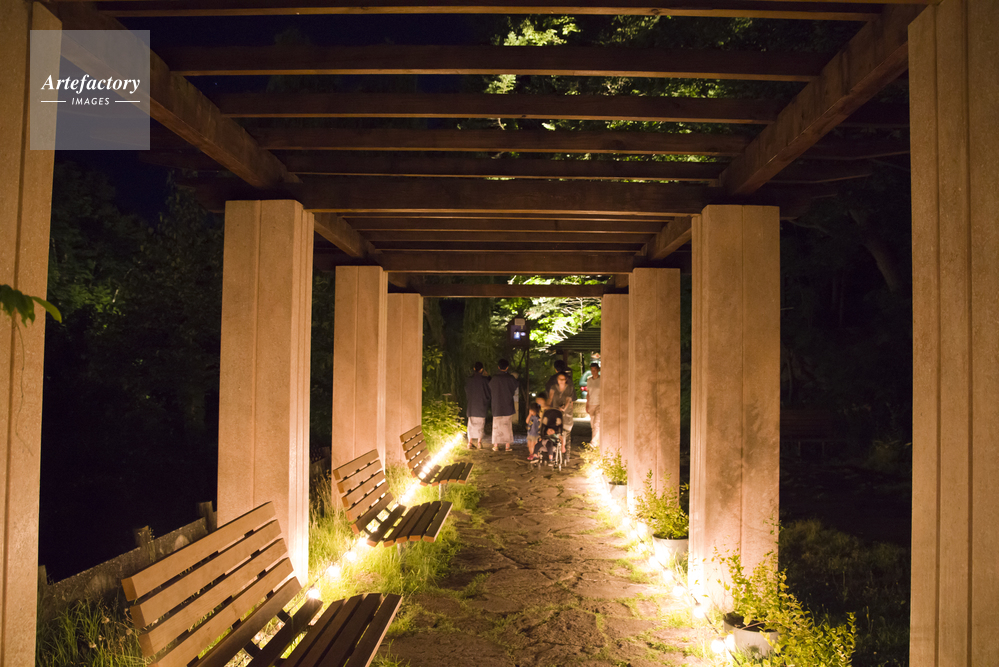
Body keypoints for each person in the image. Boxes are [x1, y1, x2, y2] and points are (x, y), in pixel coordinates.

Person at [489, 358, 520, 452]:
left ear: (498, 367)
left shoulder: (494, 379)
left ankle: (496, 445)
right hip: (507, 405)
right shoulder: (510, 378)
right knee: (507, 426)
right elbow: (515, 385)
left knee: (496, 426)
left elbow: (490, 388)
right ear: (507, 367)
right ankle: (507, 446)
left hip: (496, 405)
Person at [547, 371, 576, 456]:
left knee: (566, 433)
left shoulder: (569, 388)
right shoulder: (553, 387)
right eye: (560, 379)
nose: (562, 381)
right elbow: (550, 398)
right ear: (557, 379)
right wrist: (546, 407)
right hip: (556, 412)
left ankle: (567, 454)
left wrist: (564, 408)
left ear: (566, 379)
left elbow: (568, 399)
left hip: (566, 414)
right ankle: (555, 451)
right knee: (557, 431)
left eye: (563, 379)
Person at [464, 361, 490, 449]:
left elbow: (467, 391)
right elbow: (488, 392)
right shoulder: (485, 380)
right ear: (482, 369)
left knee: (471, 424)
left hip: (472, 405)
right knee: (480, 425)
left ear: (474, 368)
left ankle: (470, 443)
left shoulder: (469, 380)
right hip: (481, 405)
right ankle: (479, 443)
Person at [585, 361, 601, 447]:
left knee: (596, 424)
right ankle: (597, 442)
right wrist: (587, 404)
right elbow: (588, 393)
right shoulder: (589, 380)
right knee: (593, 424)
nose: (593, 371)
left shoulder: (601, 380)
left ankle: (593, 443)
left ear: (598, 370)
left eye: (594, 370)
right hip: (591, 404)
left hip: (599, 404)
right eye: (592, 370)